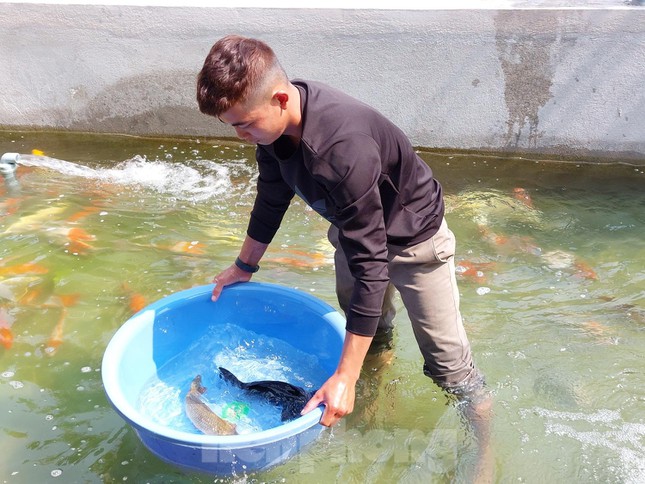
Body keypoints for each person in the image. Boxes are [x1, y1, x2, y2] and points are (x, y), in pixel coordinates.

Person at [196, 35, 493, 480]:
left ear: (280, 99)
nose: (241, 136)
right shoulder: (275, 123)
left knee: (449, 368)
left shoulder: (341, 149)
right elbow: (272, 196)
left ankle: (486, 445)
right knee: (369, 325)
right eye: (232, 126)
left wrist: (344, 378)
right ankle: (377, 377)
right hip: (356, 232)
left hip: (416, 243)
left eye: (245, 124)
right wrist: (244, 265)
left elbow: (374, 266)